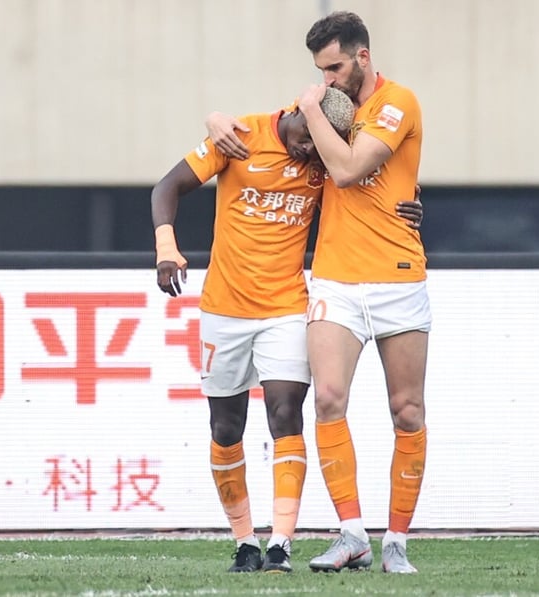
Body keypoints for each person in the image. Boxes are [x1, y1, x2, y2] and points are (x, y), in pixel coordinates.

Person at [151, 88, 422, 574]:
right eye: (305, 140)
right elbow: (165, 189)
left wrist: (412, 206)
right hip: (224, 308)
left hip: (286, 307)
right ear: (297, 112)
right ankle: (244, 543)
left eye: (318, 148)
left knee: (285, 413)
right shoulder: (239, 136)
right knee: (225, 427)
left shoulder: (325, 162)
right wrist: (166, 247)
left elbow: (375, 193)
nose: (307, 153)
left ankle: (279, 544)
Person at [204, 11, 429, 574]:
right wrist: (214, 122)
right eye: (319, 72)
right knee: (327, 399)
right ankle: (351, 533)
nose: (327, 79)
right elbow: (271, 132)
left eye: (334, 67)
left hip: (399, 276)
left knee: (407, 410)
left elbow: (351, 169)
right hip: (333, 278)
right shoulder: (329, 111)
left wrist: (308, 106)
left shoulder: (397, 102)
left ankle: (396, 540)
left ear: (363, 57)